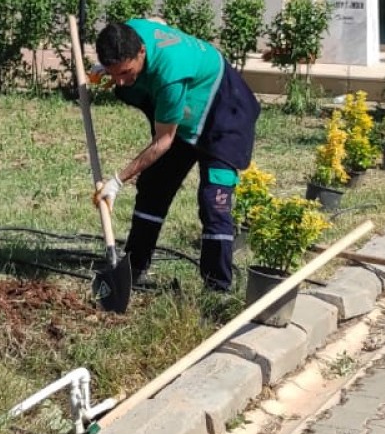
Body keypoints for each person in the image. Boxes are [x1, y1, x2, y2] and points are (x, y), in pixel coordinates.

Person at [90, 18, 261, 293]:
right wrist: (106, 70)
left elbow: (164, 141)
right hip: (186, 114)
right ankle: (133, 268)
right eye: (115, 74)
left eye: (125, 72)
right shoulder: (130, 32)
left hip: (225, 115)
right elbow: (159, 22)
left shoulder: (170, 74)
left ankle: (217, 288)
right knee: (154, 187)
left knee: (213, 201)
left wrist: (117, 181)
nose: (120, 81)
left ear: (141, 52)